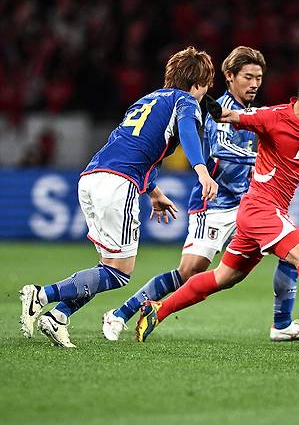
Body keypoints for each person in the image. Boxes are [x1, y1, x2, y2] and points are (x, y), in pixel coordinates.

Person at [135, 69, 299, 342]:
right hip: (261, 209)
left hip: (263, 211)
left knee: (224, 277)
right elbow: (229, 116)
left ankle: (157, 310)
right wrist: (205, 101)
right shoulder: (272, 117)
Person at [101, 46, 299, 342]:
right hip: (213, 205)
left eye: (259, 77)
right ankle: (120, 314)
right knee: (189, 271)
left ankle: (282, 324)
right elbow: (219, 150)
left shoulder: (254, 113)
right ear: (229, 77)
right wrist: (259, 159)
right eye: (248, 76)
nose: (255, 83)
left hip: (249, 203)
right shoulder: (218, 110)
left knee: (294, 251)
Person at [19, 46, 220, 348]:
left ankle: (58, 317)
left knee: (105, 266)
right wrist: (202, 171)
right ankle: (42, 294)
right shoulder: (186, 101)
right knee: (119, 273)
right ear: (199, 83)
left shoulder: (146, 101)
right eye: (207, 85)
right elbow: (189, 134)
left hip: (92, 176)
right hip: (117, 184)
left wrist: (154, 192)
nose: (207, 92)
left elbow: (139, 149)